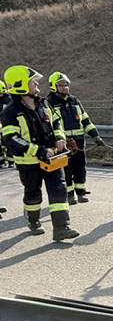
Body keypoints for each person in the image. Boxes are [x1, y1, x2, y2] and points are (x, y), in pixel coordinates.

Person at [0, 65, 79, 241]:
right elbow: (11, 138)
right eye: (32, 81)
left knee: (59, 190)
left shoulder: (44, 103)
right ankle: (33, 220)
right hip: (29, 163)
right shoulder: (10, 112)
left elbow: (56, 123)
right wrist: (38, 150)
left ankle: (61, 228)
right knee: (33, 194)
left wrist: (60, 138)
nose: (36, 83)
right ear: (21, 85)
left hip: (52, 159)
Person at [47, 71, 105, 204]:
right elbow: (51, 125)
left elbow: (86, 120)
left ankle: (81, 192)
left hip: (79, 141)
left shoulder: (74, 101)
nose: (65, 87)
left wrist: (95, 136)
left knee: (80, 167)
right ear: (53, 86)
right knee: (66, 169)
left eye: (66, 84)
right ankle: (69, 194)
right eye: (61, 85)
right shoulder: (49, 103)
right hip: (63, 143)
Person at [0, 79, 14, 168]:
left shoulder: (7, 100)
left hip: (6, 125)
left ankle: (10, 161)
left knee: (8, 142)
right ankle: (3, 161)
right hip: (3, 125)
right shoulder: (9, 99)